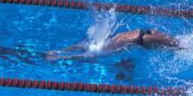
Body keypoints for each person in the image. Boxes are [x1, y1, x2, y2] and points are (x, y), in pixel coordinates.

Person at [45, 28, 179, 60]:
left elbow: (81, 55)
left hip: (143, 40)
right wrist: (60, 51)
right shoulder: (103, 40)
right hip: (146, 31)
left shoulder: (99, 51)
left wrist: (60, 56)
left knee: (181, 48)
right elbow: (79, 46)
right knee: (180, 45)